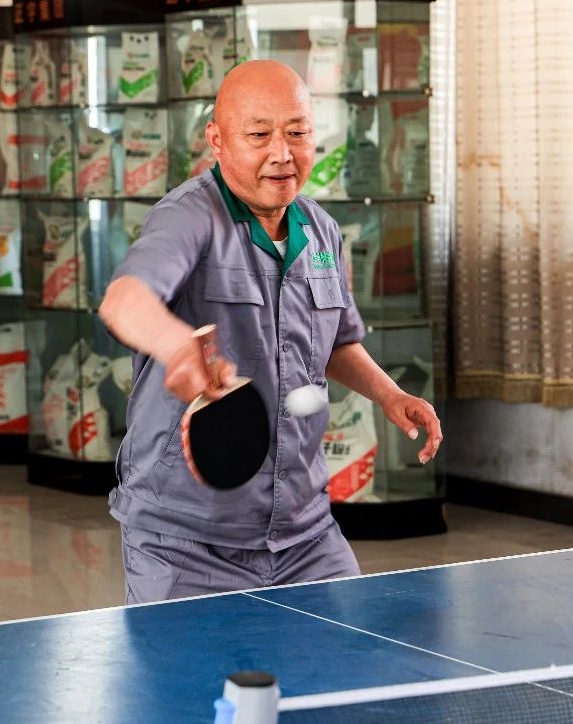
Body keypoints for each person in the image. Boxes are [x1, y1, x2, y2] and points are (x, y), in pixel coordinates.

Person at [99, 59, 442, 604]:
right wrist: (175, 346)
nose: (282, 153)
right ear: (217, 139)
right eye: (259, 135)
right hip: (186, 541)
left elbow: (334, 341)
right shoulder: (187, 217)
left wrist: (389, 394)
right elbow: (124, 300)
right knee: (187, 665)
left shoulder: (321, 230)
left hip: (305, 531)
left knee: (344, 655)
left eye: (297, 133)